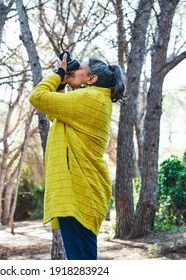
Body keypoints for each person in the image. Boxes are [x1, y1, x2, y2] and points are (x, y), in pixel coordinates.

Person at [29, 52, 126, 260]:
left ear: (91, 79)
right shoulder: (92, 99)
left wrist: (59, 74)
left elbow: (37, 97)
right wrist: (63, 83)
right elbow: (55, 112)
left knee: (81, 262)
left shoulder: (90, 98)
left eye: (79, 68)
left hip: (79, 189)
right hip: (81, 189)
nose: (73, 70)